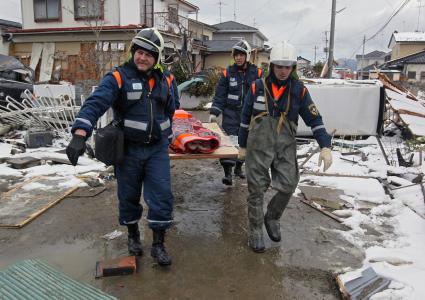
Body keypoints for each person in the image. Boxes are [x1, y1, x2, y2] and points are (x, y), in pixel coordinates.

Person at [66, 28, 176, 266]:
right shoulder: (118, 77)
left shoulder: (166, 79)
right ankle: (133, 235)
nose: (142, 57)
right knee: (128, 196)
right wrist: (80, 133)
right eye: (139, 51)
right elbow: (95, 103)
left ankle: (158, 243)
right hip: (128, 150)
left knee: (162, 196)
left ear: (156, 57)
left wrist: (166, 135)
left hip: (157, 150)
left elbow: (171, 108)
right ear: (132, 52)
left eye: (149, 53)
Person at [238, 42, 333, 253]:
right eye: (279, 66)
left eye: (287, 67)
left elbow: (314, 119)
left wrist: (325, 146)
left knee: (289, 184)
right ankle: (255, 230)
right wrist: (242, 145)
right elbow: (245, 119)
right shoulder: (256, 87)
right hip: (258, 145)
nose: (283, 71)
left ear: (293, 68)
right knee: (256, 189)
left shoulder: (299, 90)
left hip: (285, 145)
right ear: (272, 66)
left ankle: (272, 217)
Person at [209, 40, 263, 186]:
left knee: (244, 142)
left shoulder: (257, 73)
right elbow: (220, 94)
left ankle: (238, 168)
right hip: (230, 114)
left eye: (241, 55)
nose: (238, 58)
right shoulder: (228, 73)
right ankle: (228, 173)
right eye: (236, 55)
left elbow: (264, 95)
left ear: (247, 55)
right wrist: (215, 111)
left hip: (249, 116)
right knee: (229, 142)